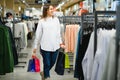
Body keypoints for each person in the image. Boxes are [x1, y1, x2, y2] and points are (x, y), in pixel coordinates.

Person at [32, 4, 65, 80]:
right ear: (46, 11)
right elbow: (38, 35)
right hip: (45, 46)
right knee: (47, 63)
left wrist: (60, 43)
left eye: (52, 9)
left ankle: (44, 73)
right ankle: (47, 77)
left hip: (55, 46)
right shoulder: (41, 21)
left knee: (52, 62)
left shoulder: (56, 20)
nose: (52, 10)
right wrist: (35, 47)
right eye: (50, 9)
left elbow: (58, 33)